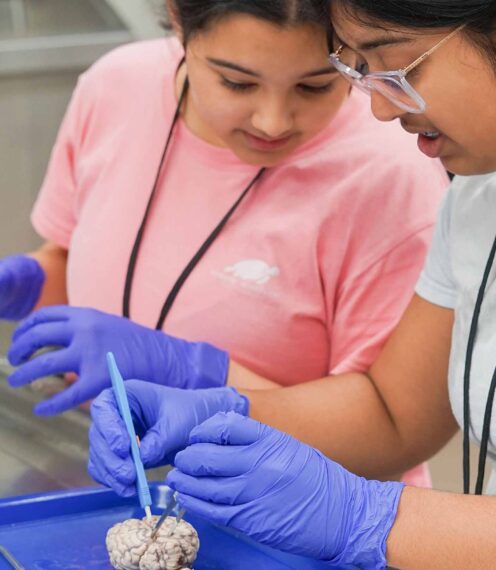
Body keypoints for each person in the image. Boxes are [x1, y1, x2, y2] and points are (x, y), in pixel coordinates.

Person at [89, 0, 496, 567]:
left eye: (397, 64)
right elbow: (395, 413)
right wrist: (217, 411)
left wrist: (367, 517)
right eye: (358, 68)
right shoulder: (488, 174)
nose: (380, 107)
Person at [1, 0, 449, 487]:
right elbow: (78, 262)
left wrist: (195, 373)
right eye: (237, 82)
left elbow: (387, 435)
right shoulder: (115, 86)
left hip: (286, 515)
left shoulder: (391, 177)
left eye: (316, 85)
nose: (272, 121)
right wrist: (38, 282)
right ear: (178, 19)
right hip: (109, 478)